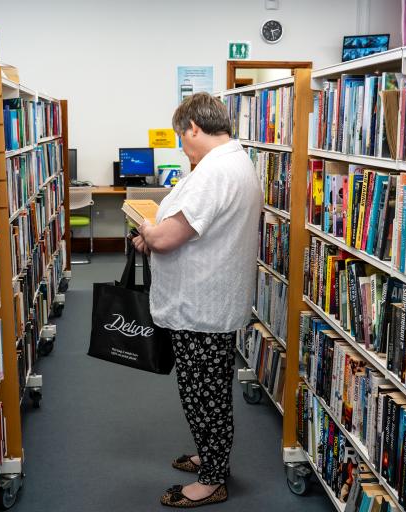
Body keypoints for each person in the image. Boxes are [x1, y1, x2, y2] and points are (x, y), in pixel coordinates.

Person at [131, 92, 262, 508]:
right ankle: (210, 457)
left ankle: (212, 479)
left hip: (201, 306)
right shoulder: (233, 161)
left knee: (204, 393)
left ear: (193, 128)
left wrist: (147, 232)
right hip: (210, 299)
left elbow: (168, 237)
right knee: (208, 389)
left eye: (181, 137)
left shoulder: (214, 172)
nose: (181, 146)